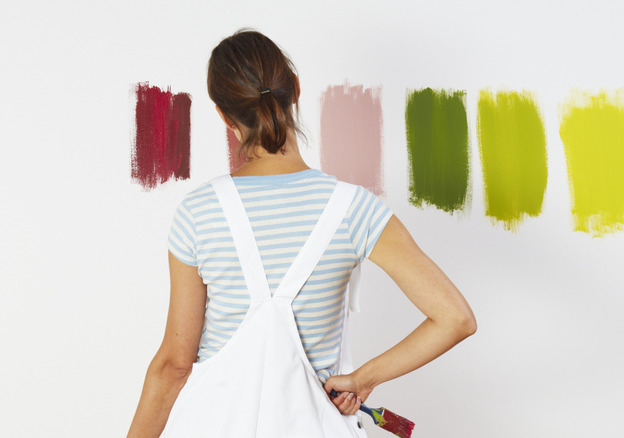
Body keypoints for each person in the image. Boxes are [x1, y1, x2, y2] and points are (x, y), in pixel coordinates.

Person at [127, 29, 476, 437]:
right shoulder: (353, 210)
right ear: (295, 89)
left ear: (223, 115)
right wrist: (364, 378)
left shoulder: (199, 212)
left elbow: (174, 366)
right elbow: (456, 319)